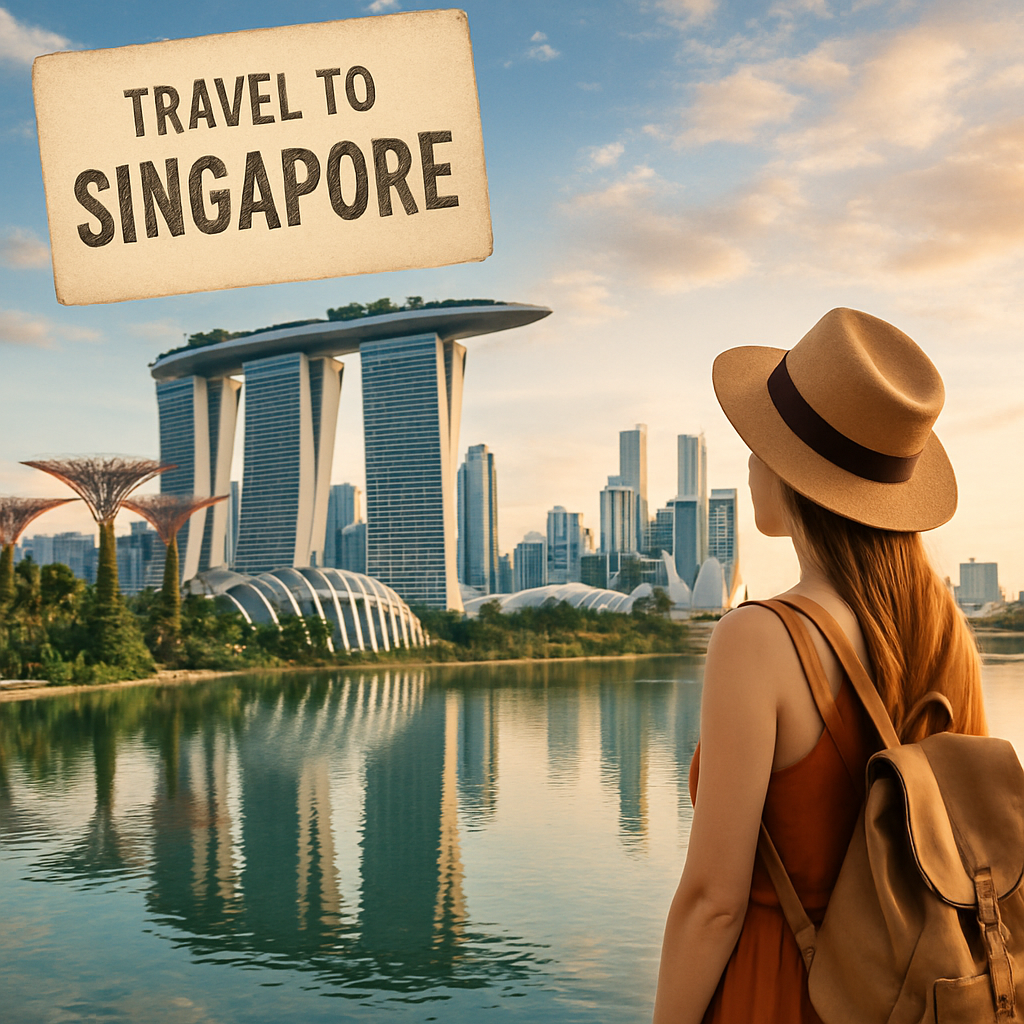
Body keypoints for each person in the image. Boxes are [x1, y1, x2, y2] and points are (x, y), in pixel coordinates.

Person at [651, 307, 987, 1024]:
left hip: (779, 989)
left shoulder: (759, 638)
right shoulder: (946, 633)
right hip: (910, 996)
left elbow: (712, 904)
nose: (748, 460)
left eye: (759, 443)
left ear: (794, 472)